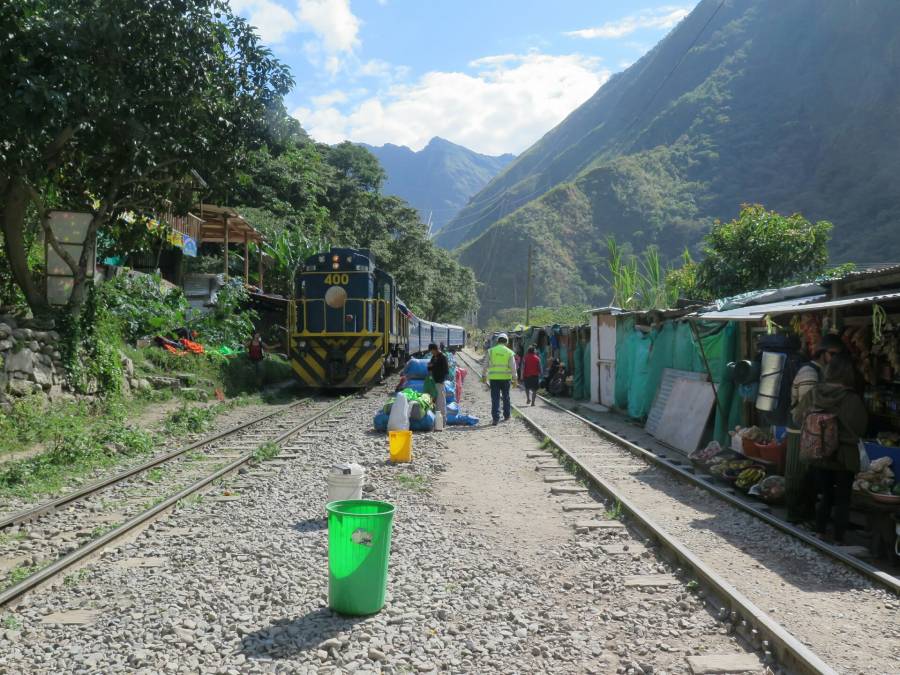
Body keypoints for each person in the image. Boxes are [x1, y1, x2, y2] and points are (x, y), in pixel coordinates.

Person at [793, 352, 867, 543]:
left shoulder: (814, 393)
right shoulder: (852, 398)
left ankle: (819, 531)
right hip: (844, 456)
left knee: (825, 495)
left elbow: (798, 417)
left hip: (818, 454)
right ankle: (839, 538)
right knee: (843, 499)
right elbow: (860, 427)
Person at [785, 334, 847, 522]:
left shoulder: (824, 371)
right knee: (797, 474)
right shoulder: (809, 372)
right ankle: (794, 516)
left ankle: (805, 514)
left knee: (810, 476)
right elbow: (808, 406)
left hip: (814, 432)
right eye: (832, 354)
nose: (835, 358)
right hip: (801, 431)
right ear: (822, 352)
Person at [482, 333, 517, 425]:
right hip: (506, 379)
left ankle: (495, 419)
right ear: (506, 342)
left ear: (497, 341)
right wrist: (515, 379)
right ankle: (507, 416)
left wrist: (484, 375)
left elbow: (485, 364)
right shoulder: (509, 352)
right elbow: (513, 367)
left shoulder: (491, 351)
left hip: (494, 379)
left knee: (495, 398)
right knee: (506, 397)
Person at [428, 343, 450, 423]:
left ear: (435, 349)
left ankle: (443, 421)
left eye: (432, 351)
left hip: (440, 382)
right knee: (435, 402)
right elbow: (430, 367)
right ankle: (436, 420)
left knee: (441, 402)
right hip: (434, 382)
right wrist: (430, 367)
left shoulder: (442, 357)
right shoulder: (434, 357)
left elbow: (446, 370)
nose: (431, 353)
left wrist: (436, 371)